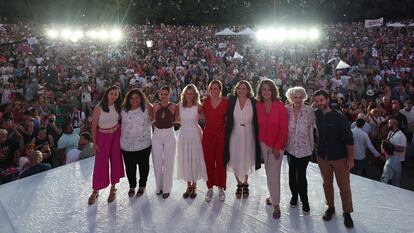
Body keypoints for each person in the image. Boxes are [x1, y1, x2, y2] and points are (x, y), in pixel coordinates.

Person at [313, 89, 355, 229]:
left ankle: (347, 212)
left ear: (327, 100)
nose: (319, 103)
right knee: (327, 183)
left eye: (321, 100)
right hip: (322, 156)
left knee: (344, 187)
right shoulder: (315, 114)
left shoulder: (339, 117)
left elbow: (349, 138)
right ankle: (330, 207)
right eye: (317, 101)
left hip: (339, 157)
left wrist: (350, 158)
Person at [256, 79, 288, 219]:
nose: (266, 92)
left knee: (273, 173)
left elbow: (284, 128)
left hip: (277, 145)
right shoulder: (258, 105)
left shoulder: (280, 105)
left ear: (273, 90)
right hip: (263, 143)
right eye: (264, 89)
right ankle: (271, 195)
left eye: (269, 89)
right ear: (260, 91)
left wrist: (277, 146)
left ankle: (276, 204)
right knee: (269, 172)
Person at [224, 80, 261, 199]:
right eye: (239, 88)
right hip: (234, 133)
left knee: (246, 159)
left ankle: (245, 183)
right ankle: (239, 184)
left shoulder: (253, 102)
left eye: (244, 88)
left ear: (248, 90)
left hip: (249, 134)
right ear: (236, 89)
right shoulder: (232, 100)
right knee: (235, 158)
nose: (241, 90)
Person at [88, 86, 125, 205]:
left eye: (116, 94)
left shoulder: (118, 107)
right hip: (102, 137)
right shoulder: (98, 108)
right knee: (100, 164)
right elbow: (93, 127)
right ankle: (96, 190)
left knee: (115, 161)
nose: (113, 96)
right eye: (111, 94)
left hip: (115, 135)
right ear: (107, 94)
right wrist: (94, 143)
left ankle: (113, 188)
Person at [284, 86, 315, 215]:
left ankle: (305, 201)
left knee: (301, 176)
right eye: (295, 97)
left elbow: (317, 126)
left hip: (305, 149)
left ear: (304, 97)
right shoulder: (287, 110)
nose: (298, 100)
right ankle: (294, 197)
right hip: (291, 148)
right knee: (291, 175)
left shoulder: (309, 110)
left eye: (300, 97)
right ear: (291, 98)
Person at [176, 84, 208, 199]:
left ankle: (194, 186)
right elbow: (176, 119)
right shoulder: (179, 106)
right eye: (187, 93)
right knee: (186, 159)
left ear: (194, 95)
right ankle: (188, 186)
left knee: (194, 159)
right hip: (184, 135)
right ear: (184, 94)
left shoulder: (198, 106)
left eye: (191, 93)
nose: (189, 95)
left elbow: (206, 118)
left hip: (195, 135)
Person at [120, 88, 153, 197]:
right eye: (132, 98)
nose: (134, 100)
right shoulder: (123, 110)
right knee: (130, 168)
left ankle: (142, 185)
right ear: (128, 99)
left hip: (144, 144)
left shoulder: (147, 108)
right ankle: (132, 186)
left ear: (141, 98)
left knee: (144, 167)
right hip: (127, 145)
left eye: (137, 97)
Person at [202, 80, 228, 202]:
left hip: (221, 135)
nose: (213, 91)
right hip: (207, 135)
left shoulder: (226, 102)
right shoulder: (205, 102)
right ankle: (210, 188)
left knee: (221, 162)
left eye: (216, 88)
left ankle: (221, 187)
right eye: (211, 88)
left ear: (220, 89)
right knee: (209, 162)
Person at [151, 86, 178, 199]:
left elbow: (178, 120)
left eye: (166, 94)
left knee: (168, 162)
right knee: (157, 162)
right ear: (159, 95)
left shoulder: (174, 106)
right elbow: (152, 119)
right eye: (161, 94)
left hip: (169, 134)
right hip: (157, 134)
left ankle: (167, 189)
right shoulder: (155, 106)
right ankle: (159, 187)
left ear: (169, 95)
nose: (163, 96)